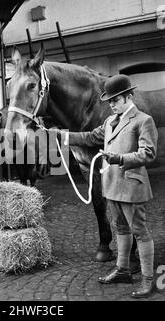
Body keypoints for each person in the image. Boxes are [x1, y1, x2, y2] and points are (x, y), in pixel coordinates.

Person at [65, 74, 158, 298]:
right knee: (121, 229)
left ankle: (147, 280)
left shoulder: (143, 120)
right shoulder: (109, 122)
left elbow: (148, 154)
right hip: (113, 185)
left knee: (140, 232)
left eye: (115, 100)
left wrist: (119, 158)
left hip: (132, 186)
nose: (111, 104)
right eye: (109, 101)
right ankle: (123, 269)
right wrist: (62, 136)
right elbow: (90, 137)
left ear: (129, 96)